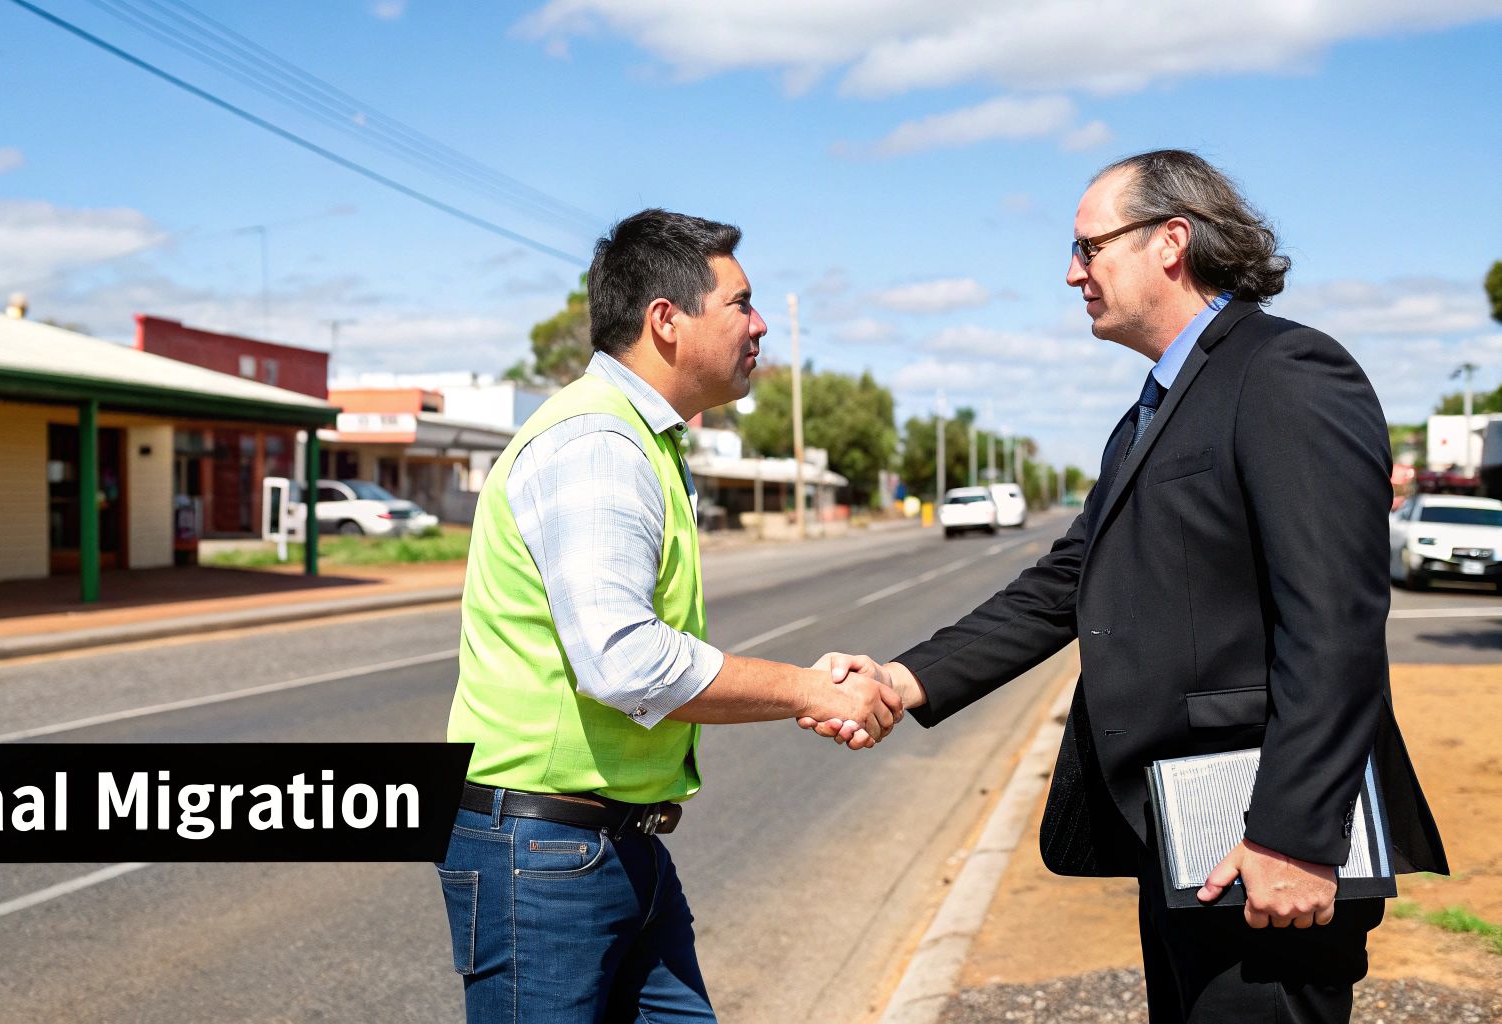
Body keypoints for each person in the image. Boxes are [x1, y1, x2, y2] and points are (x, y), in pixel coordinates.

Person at [812, 150, 1447, 1023]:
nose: (1072, 272)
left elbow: (1333, 623)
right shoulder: (1157, 404)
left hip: (1266, 839)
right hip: (1185, 831)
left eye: (1089, 247)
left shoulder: (1286, 372)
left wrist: (1296, 836)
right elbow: (1065, 581)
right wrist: (902, 680)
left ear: (1170, 243)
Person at [439, 208, 902, 1023]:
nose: (760, 325)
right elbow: (626, 661)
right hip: (543, 853)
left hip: (618, 846)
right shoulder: (597, 444)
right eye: (741, 304)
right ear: (667, 321)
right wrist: (810, 689)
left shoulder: (649, 443)